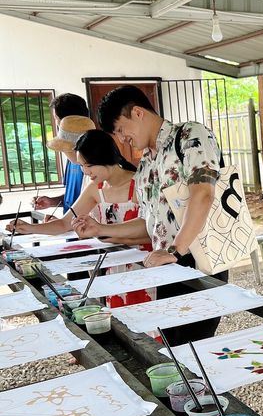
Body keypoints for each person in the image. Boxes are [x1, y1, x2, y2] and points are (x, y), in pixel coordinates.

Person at [72, 85, 228, 346]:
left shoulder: (190, 134)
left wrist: (176, 251)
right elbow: (149, 225)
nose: (122, 139)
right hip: (164, 263)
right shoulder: (145, 162)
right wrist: (101, 230)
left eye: (121, 129)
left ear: (137, 113)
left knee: (194, 348)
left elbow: (203, 194)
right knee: (171, 347)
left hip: (196, 260)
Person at [8, 129, 153, 308]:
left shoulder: (140, 184)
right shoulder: (96, 188)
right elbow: (64, 223)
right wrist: (29, 228)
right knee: (117, 314)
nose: (85, 172)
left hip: (144, 264)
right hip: (112, 265)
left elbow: (152, 229)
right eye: (82, 166)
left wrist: (109, 234)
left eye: (88, 166)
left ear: (104, 158)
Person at [34, 94, 91, 213]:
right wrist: (52, 201)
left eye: (56, 118)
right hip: (70, 226)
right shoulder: (71, 156)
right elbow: (73, 195)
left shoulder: (94, 163)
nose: (56, 124)